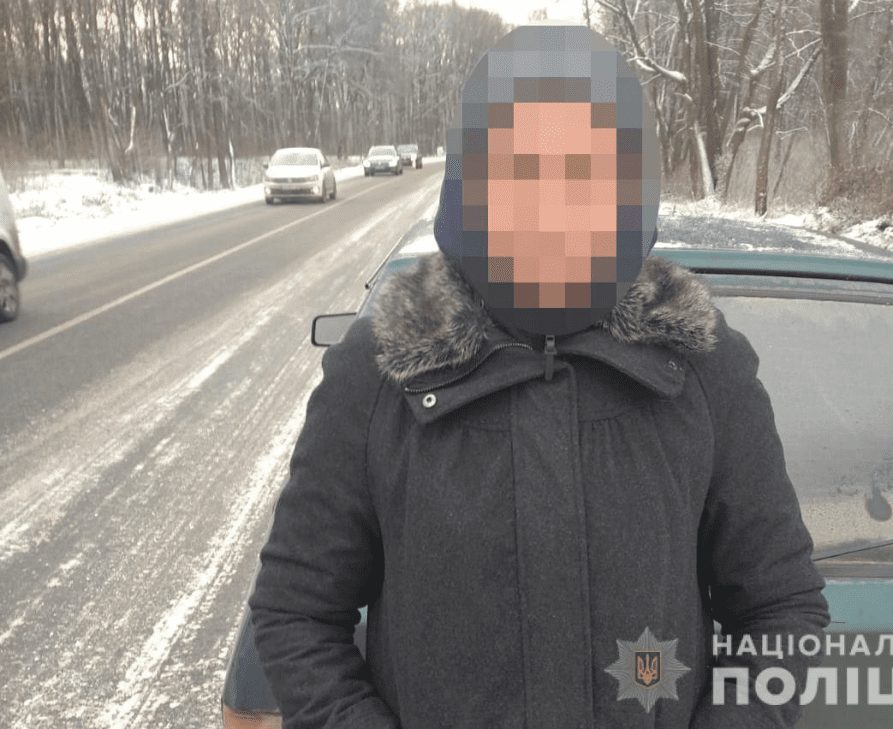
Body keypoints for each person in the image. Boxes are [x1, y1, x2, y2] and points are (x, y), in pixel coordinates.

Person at [249, 24, 830, 729]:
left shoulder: (704, 370)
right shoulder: (379, 373)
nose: (553, 208)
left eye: (583, 174)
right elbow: (298, 612)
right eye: (523, 172)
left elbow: (780, 608)